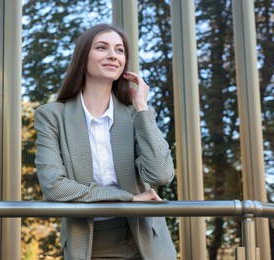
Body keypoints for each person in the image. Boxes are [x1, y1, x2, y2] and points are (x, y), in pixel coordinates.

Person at [34, 23, 176, 260]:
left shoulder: (134, 115)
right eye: (102, 47)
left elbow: (160, 175)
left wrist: (142, 108)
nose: (113, 55)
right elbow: (54, 188)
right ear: (83, 57)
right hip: (89, 244)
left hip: (147, 242)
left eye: (120, 50)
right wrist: (128, 199)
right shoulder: (52, 116)